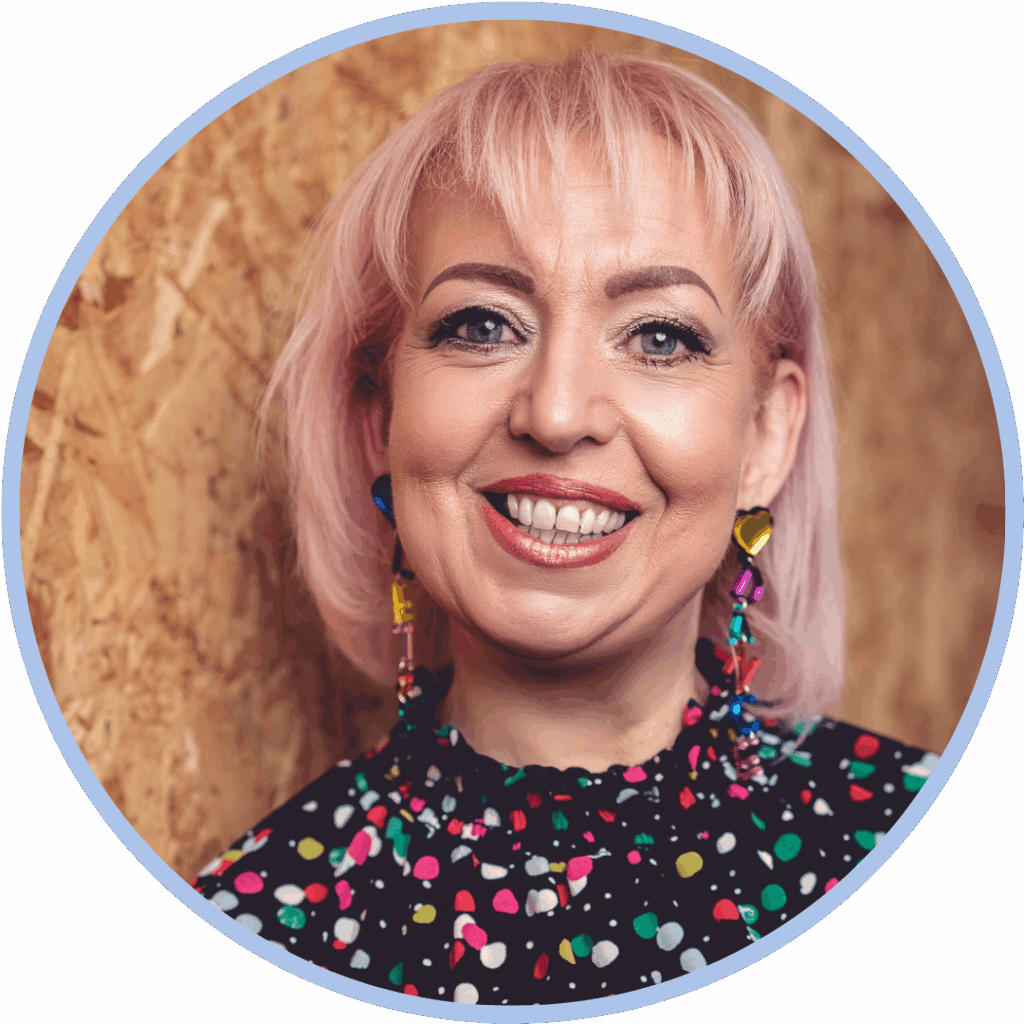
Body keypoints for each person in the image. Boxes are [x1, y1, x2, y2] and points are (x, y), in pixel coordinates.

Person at [191, 48, 935, 1005]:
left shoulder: (939, 849)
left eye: (660, 337)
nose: (554, 411)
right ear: (379, 420)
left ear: (765, 432)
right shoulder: (256, 929)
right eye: (482, 325)